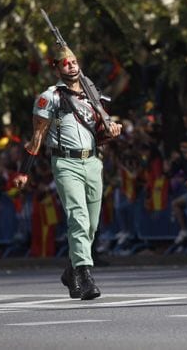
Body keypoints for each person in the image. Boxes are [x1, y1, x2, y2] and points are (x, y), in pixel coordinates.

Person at [13, 42, 122, 300]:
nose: (71, 65)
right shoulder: (49, 97)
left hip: (93, 162)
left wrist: (113, 129)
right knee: (78, 218)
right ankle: (84, 276)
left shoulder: (93, 95)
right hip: (66, 163)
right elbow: (36, 137)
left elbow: (100, 132)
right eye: (66, 62)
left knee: (92, 224)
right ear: (57, 68)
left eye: (74, 61)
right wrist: (24, 171)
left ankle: (71, 270)